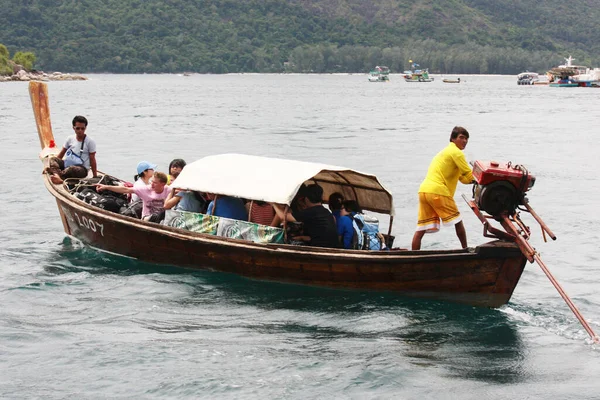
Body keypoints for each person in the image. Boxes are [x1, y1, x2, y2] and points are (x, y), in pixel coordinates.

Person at [411, 126, 474, 250]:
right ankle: (465, 249)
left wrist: (474, 181)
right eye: (461, 137)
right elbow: (469, 173)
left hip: (424, 191)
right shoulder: (456, 152)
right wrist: (484, 178)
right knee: (458, 221)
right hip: (438, 191)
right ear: (452, 139)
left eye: (466, 139)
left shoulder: (446, 152)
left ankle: (413, 256)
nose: (464, 141)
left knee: (421, 229)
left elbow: (464, 179)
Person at [272, 184, 340, 248]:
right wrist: (301, 237)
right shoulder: (326, 212)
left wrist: (273, 204)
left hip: (320, 249)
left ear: (306, 199)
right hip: (331, 247)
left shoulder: (310, 212)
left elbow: (283, 216)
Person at [96, 171, 170, 221]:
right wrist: (106, 187)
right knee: (156, 216)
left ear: (163, 184)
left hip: (163, 218)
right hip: (147, 218)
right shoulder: (145, 189)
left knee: (165, 214)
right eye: (151, 181)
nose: (152, 184)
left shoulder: (168, 190)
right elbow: (126, 190)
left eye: (155, 183)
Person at [46, 115, 97, 184]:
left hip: (81, 169)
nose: (80, 131)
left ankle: (58, 176)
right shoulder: (70, 139)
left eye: (82, 128)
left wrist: (95, 176)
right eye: (78, 128)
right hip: (68, 164)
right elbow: (62, 153)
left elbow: (92, 159)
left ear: (85, 128)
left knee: (72, 169)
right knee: (52, 159)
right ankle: (57, 175)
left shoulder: (90, 141)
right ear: (73, 128)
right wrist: (56, 163)